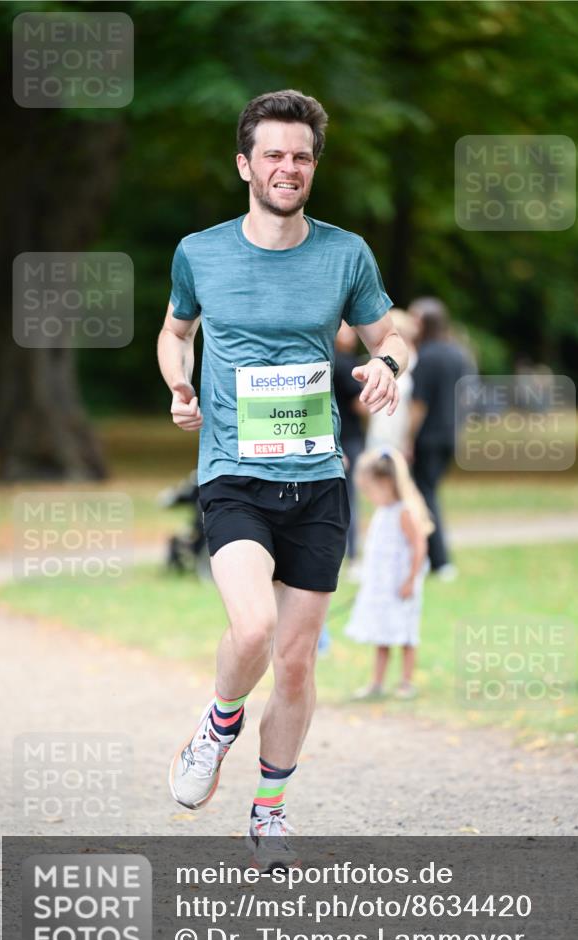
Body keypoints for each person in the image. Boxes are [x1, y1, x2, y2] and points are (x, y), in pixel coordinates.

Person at [157, 89, 408, 868]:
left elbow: (387, 329)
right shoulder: (200, 251)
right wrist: (179, 385)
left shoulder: (344, 252)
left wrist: (386, 362)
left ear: (313, 166)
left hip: (317, 479)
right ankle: (219, 721)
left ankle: (269, 812)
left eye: (300, 155)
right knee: (255, 630)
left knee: (297, 660)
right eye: (272, 153)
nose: (287, 167)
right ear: (245, 164)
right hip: (232, 472)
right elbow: (175, 332)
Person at [345, 447, 433, 700]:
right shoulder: (383, 512)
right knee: (382, 633)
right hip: (383, 587)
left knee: (405, 633)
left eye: (369, 490)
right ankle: (377, 682)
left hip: (401, 586)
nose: (368, 497)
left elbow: (419, 546)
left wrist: (410, 580)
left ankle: (406, 681)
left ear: (386, 483)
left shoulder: (404, 512)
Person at [409, 297, 476, 580]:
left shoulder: (427, 356)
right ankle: (429, 558)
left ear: (424, 323)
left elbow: (418, 405)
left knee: (425, 496)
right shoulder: (458, 354)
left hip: (427, 437)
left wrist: (407, 439)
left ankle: (438, 560)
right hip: (451, 434)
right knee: (428, 493)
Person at [365, 308, 420, 458]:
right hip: (379, 424)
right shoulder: (379, 359)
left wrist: (409, 438)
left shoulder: (416, 362)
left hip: (401, 425)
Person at [333, 320, 365, 561]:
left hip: (330, 438)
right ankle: (352, 553)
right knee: (349, 499)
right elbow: (360, 404)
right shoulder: (344, 364)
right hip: (348, 438)